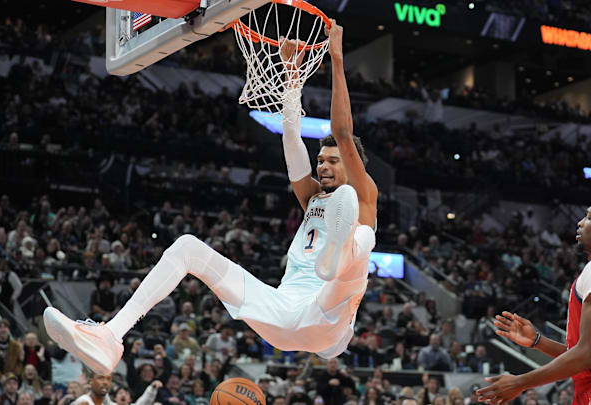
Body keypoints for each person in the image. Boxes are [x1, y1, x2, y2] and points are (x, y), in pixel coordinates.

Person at [43, 20, 377, 375]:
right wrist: (292, 76)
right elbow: (291, 138)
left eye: (332, 161)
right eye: (320, 160)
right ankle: (110, 336)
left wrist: (337, 59)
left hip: (330, 311)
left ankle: (341, 253)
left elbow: (342, 133)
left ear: (353, 166)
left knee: (362, 236)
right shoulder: (311, 198)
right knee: (187, 247)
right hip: (284, 313)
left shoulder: (363, 193)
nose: (323, 165)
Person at [477, 189, 591, 405]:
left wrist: (519, 382)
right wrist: (538, 341)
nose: (579, 223)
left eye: (588, 217)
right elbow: (587, 358)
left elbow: (588, 355)